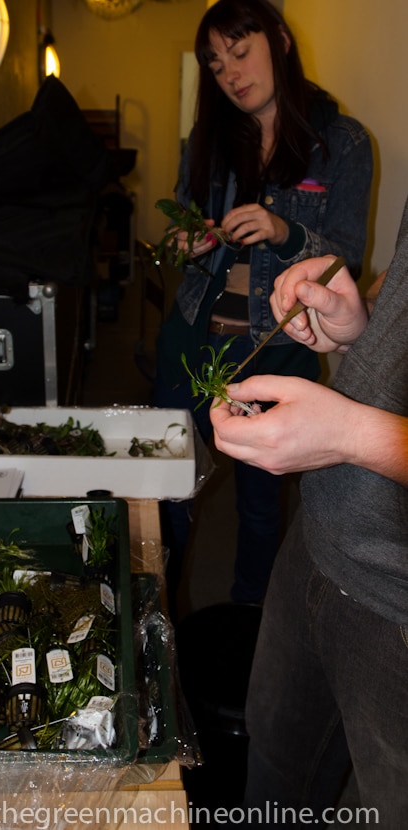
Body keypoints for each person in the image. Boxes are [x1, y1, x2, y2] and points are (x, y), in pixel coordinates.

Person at [153, 0, 373, 608]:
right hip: (191, 335)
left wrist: (286, 232)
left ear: (278, 39)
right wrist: (186, 242)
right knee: (165, 484)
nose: (230, 73)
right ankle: (158, 618)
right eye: (216, 63)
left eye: (241, 51)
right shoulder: (210, 138)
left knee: (260, 500)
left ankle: (250, 619)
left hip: (275, 348)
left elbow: (346, 261)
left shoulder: (343, 142)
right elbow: (178, 236)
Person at [209, 201, 408, 824]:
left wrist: (360, 435)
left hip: (397, 607)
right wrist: (362, 326)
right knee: (273, 783)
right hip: (319, 541)